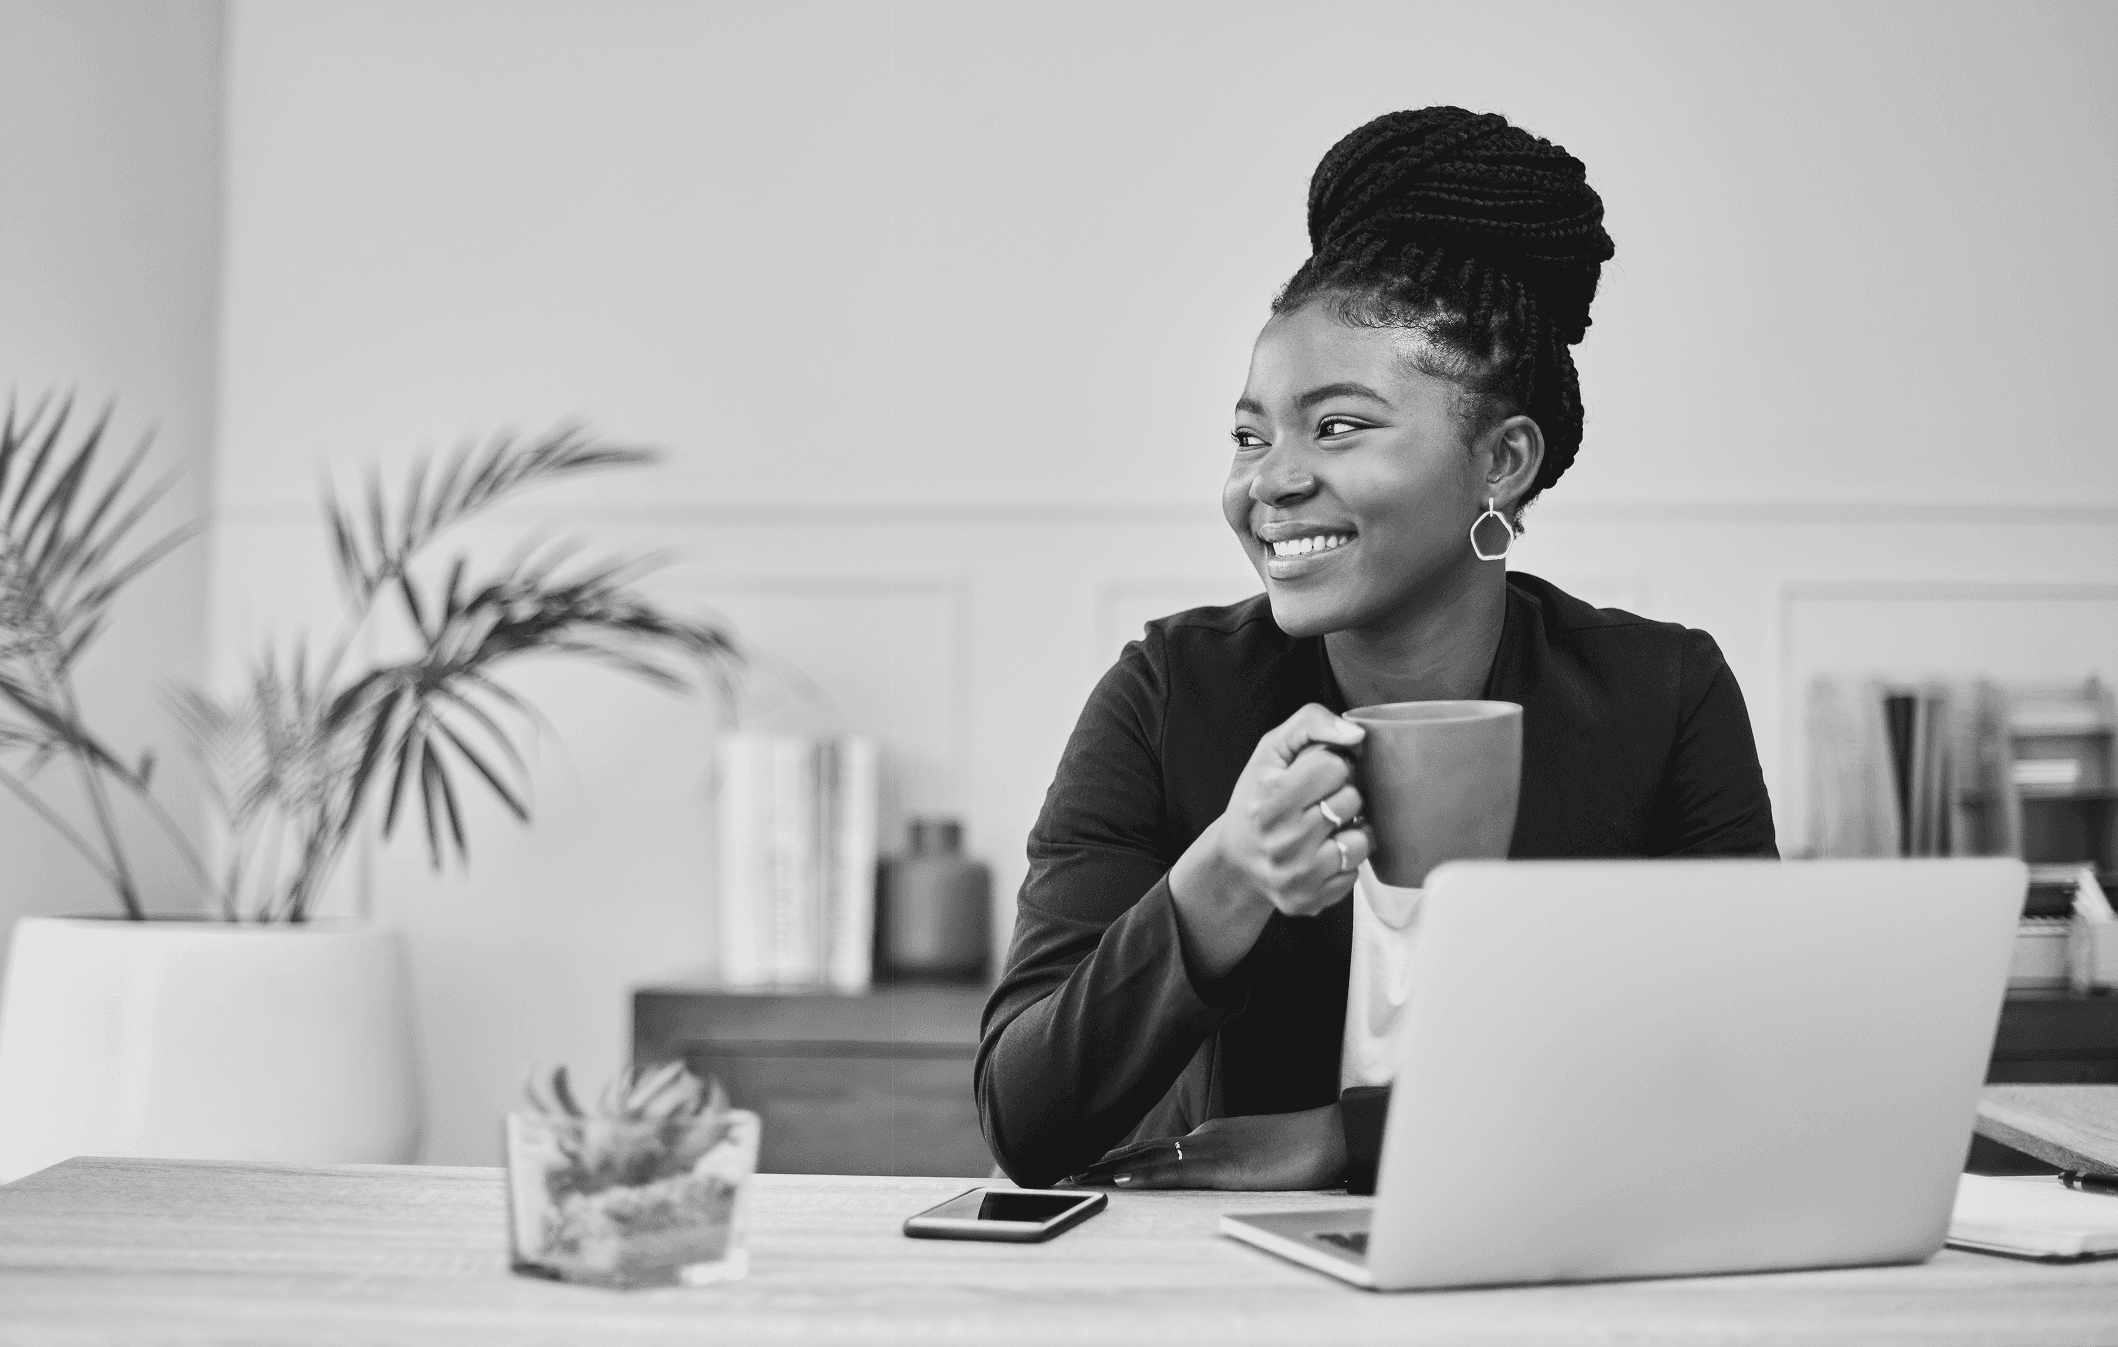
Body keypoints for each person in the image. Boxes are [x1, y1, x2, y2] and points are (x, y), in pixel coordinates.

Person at [974, 107, 1777, 1194]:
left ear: (1502, 460)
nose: (1272, 481)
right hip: (1240, 1291)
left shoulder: (1663, 696)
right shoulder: (1168, 694)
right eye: (1251, 436)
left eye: (1338, 427)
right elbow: (1025, 1123)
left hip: (1565, 1266)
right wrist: (1220, 879)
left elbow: (1738, 1073)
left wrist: (1346, 1141)